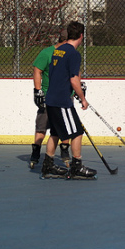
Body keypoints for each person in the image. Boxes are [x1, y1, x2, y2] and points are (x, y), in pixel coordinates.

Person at [41, 21, 97, 180]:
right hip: (61, 102)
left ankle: (48, 165)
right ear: (81, 36)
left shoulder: (57, 51)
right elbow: (74, 80)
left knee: (56, 132)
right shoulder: (73, 54)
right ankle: (76, 166)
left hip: (51, 99)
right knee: (77, 131)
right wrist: (83, 98)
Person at [30, 29, 70, 169]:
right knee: (42, 126)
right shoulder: (47, 53)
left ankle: (64, 152)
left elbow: (74, 72)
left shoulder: (70, 53)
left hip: (64, 97)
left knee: (63, 127)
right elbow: (37, 70)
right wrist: (38, 90)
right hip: (48, 96)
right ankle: (35, 153)